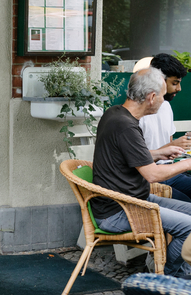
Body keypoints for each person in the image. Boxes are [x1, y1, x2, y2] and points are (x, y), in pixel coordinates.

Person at [92, 67, 191, 277]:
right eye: (163, 96)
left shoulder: (115, 113)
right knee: (188, 227)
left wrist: (158, 152)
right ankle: (167, 278)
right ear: (152, 97)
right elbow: (153, 175)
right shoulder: (126, 126)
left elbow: (127, 155)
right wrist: (187, 163)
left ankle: (173, 273)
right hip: (119, 211)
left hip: (134, 200)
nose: (164, 101)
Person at [139, 53, 191, 202]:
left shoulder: (166, 106)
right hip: (150, 179)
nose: (179, 89)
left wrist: (183, 144)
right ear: (159, 80)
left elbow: (168, 145)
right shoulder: (137, 113)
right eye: (174, 83)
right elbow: (136, 159)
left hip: (170, 172)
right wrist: (172, 145)